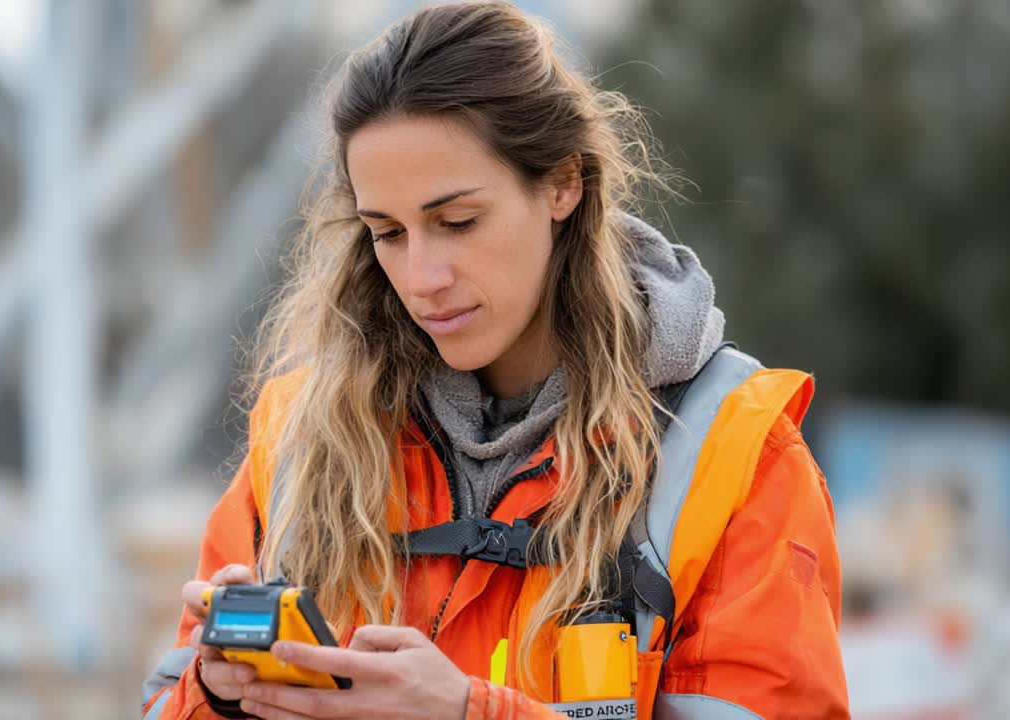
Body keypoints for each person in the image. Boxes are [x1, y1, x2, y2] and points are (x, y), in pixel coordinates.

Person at [143, 2, 848, 718]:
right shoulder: (297, 442)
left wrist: (470, 714)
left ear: (563, 184)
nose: (422, 278)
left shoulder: (734, 457)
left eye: (457, 223)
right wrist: (220, 696)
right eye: (386, 233)